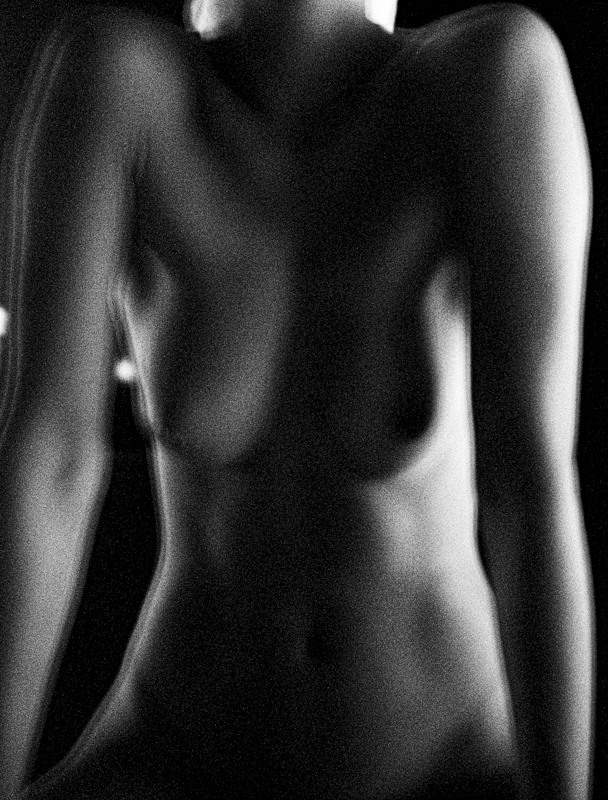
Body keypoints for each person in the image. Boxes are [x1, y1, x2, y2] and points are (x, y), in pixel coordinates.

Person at [0, 0, 594, 798]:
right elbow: (50, 465)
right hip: (169, 751)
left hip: (448, 767)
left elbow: (528, 485)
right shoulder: (117, 81)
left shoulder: (491, 75)